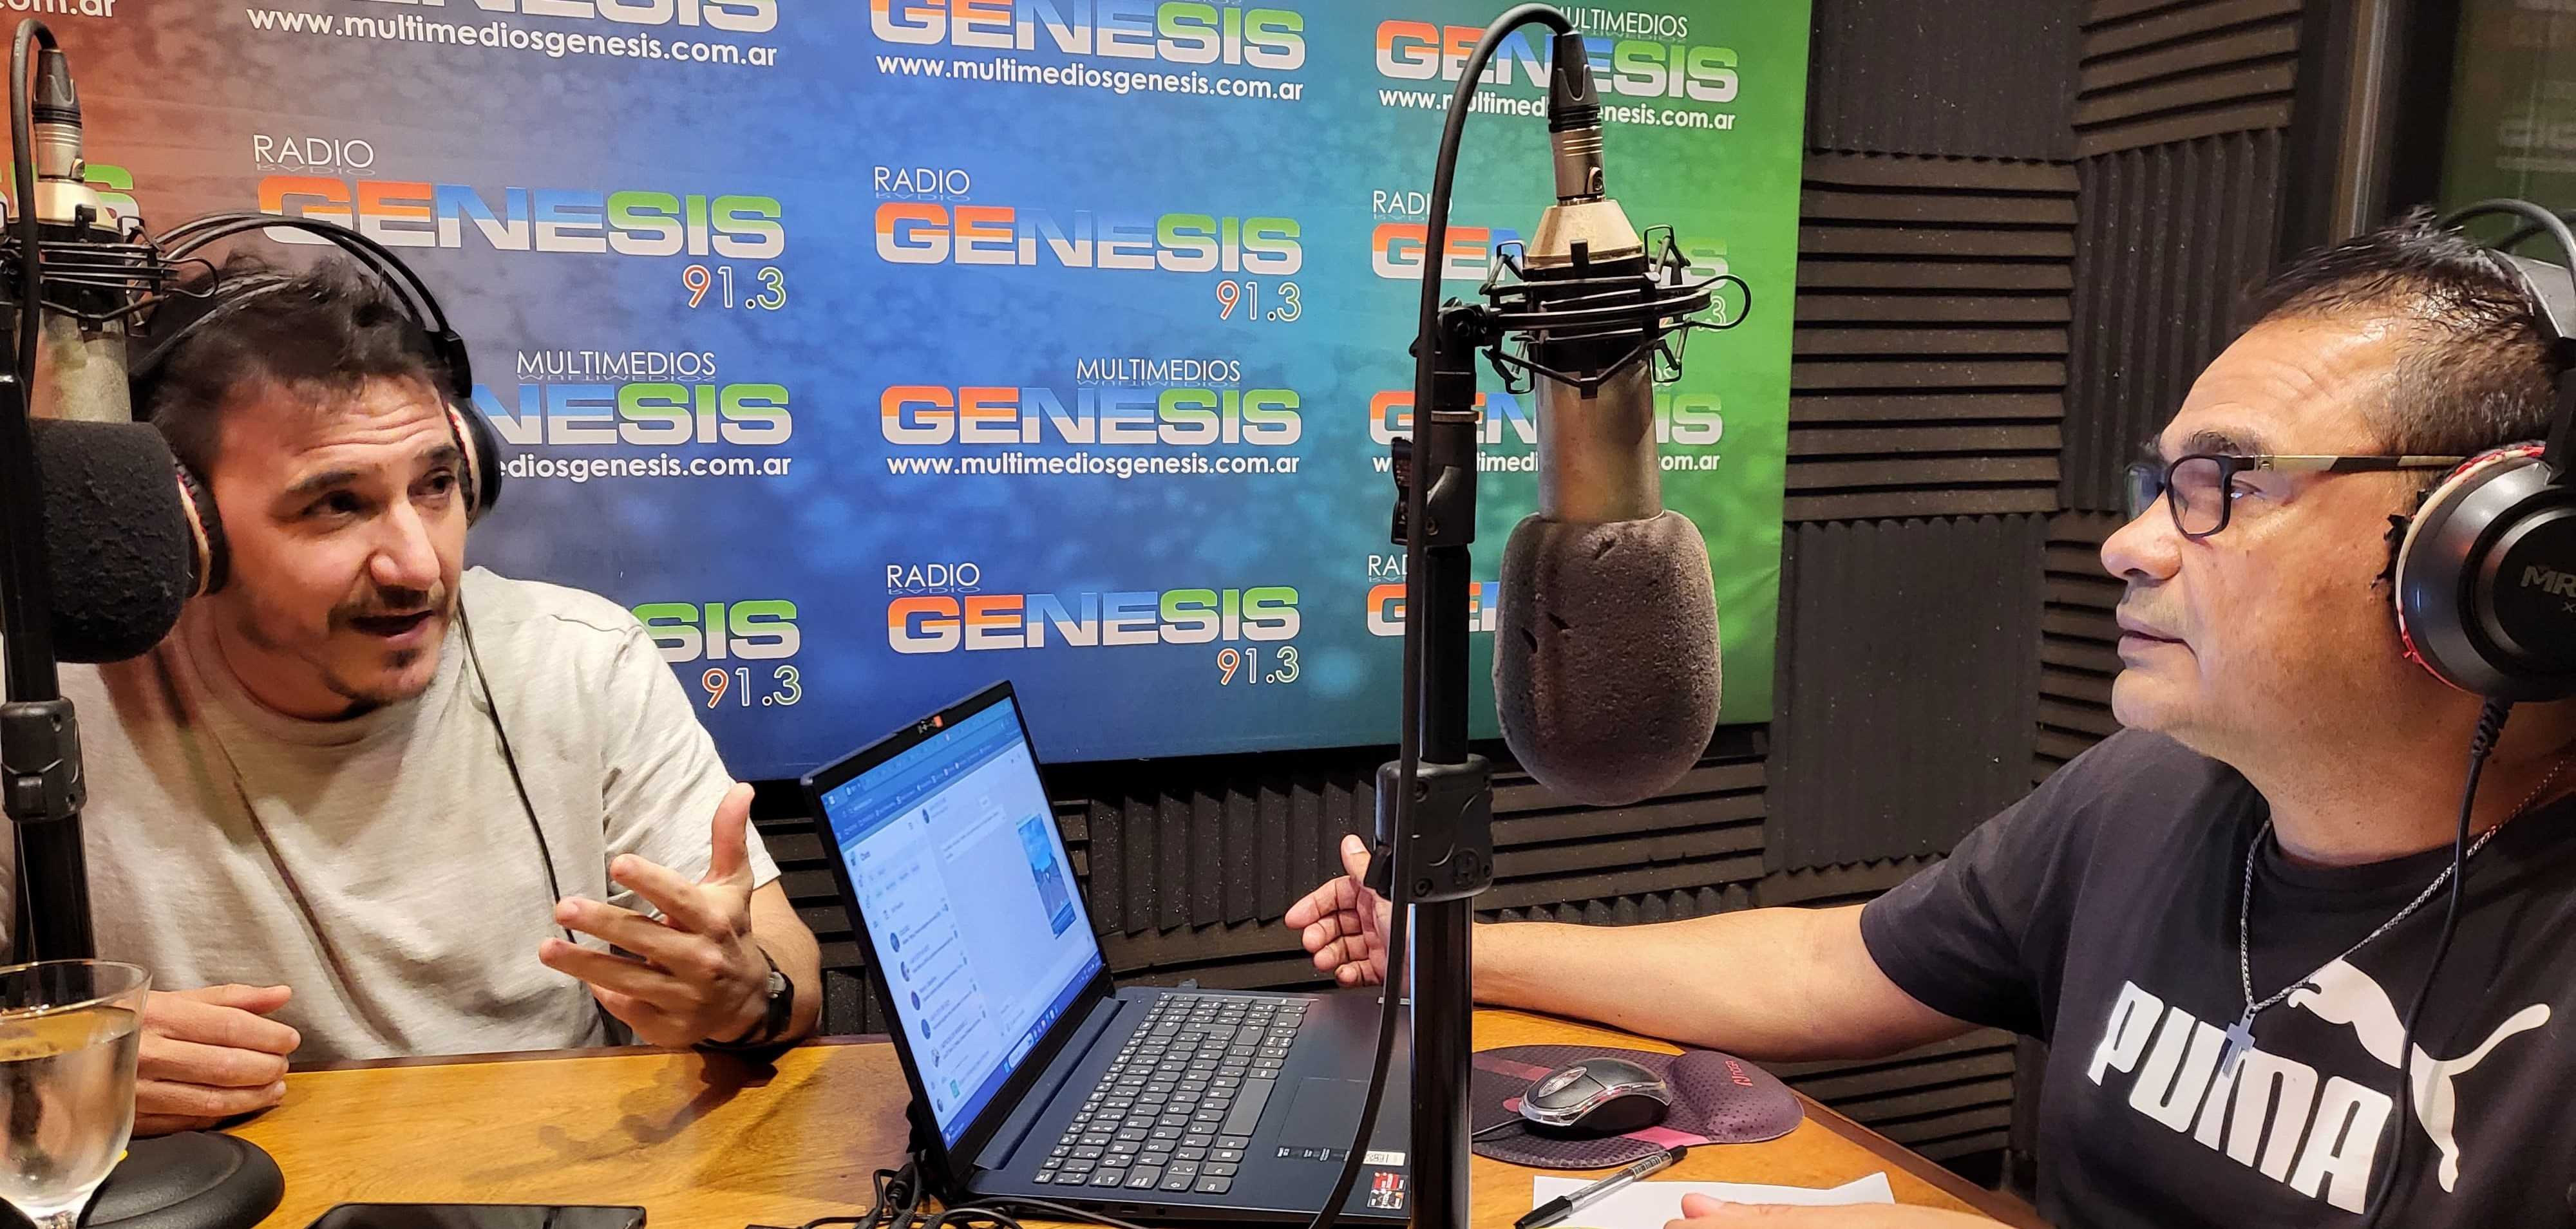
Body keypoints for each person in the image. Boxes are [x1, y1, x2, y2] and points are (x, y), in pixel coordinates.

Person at [1290, 212, 2576, 1228]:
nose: (2127, 544)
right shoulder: (2145, 796)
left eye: (2221, 482)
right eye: (2158, 479)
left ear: (2494, 541)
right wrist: (1444, 947)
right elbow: (1824, 969)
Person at [0, 259, 820, 1137]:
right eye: (335, 504)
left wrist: (750, 993)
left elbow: (793, 971)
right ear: (186, 530)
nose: (419, 565)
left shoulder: (580, 658)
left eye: (435, 486)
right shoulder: (38, 703)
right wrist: (39, 1071)